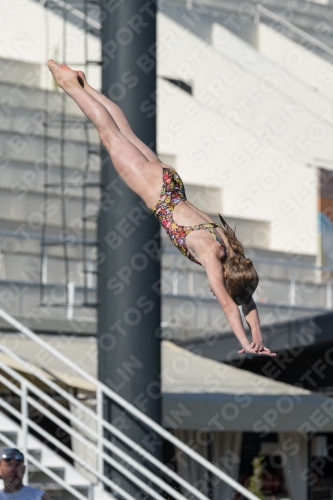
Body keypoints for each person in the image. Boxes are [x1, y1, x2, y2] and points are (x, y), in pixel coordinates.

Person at [46, 60, 276, 358]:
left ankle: (84, 84)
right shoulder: (212, 256)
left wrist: (257, 336)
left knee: (124, 131)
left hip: (171, 183)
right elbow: (230, 305)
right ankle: (69, 85)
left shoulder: (233, 252)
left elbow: (247, 300)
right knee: (110, 135)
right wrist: (245, 343)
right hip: (157, 193)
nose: (215, 286)